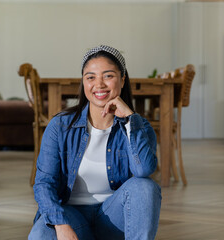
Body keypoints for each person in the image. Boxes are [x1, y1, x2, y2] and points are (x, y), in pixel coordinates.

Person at [28, 45, 161, 240]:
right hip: (73, 217)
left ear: (122, 80)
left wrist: (130, 120)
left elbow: (143, 170)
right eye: (90, 77)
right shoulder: (60, 126)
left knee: (145, 187)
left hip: (115, 219)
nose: (99, 84)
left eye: (108, 76)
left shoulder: (138, 126)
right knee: (41, 234)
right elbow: (43, 183)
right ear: (83, 82)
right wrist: (61, 224)